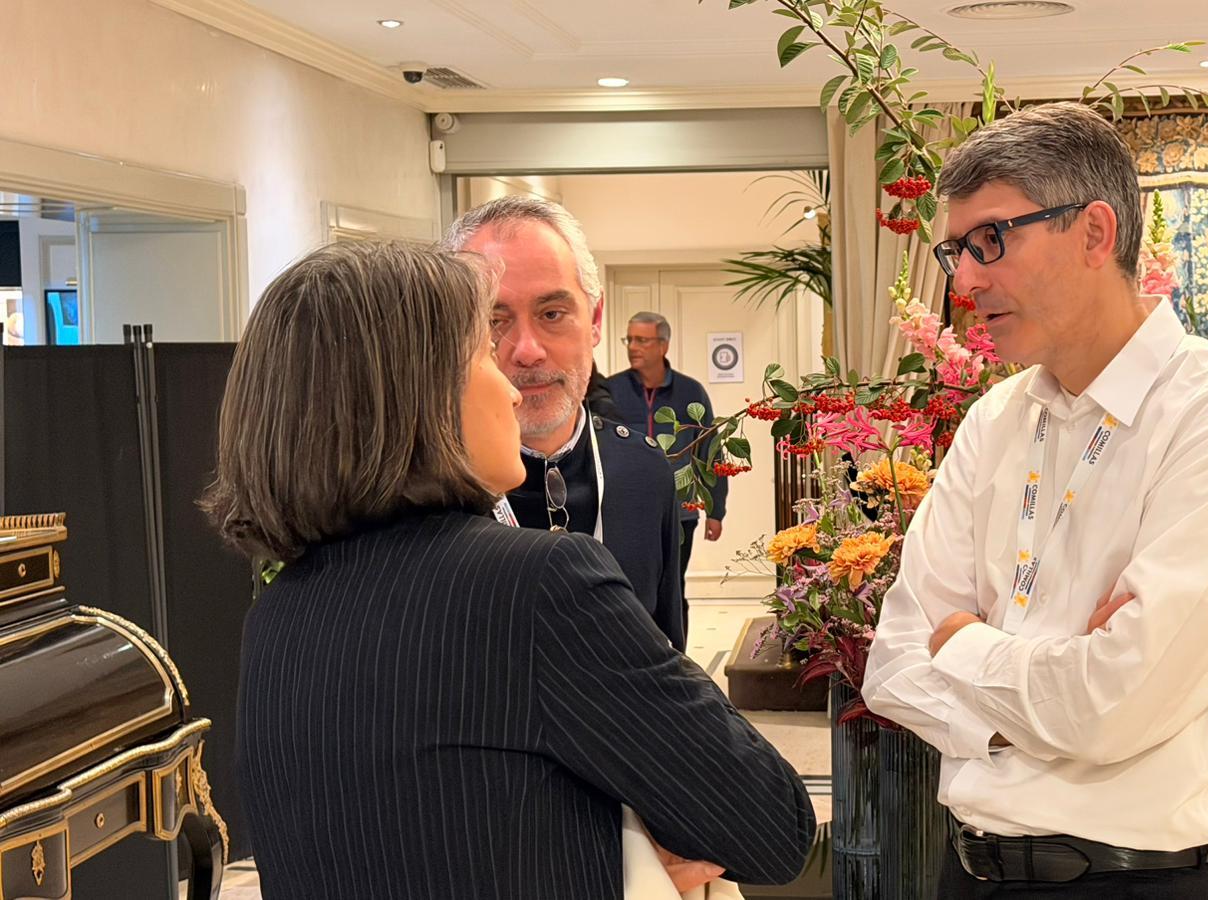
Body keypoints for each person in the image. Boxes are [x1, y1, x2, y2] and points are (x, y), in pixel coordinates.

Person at [204, 241, 814, 899]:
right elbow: (773, 827)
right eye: (480, 351)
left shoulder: (277, 614)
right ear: (415, 399)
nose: (507, 383)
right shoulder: (538, 586)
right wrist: (623, 847)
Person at [859, 102, 1208, 898]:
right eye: (956, 250)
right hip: (967, 871)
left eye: (990, 240)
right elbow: (894, 664)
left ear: (1095, 233)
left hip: (1133, 881)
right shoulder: (995, 420)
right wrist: (1052, 692)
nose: (964, 280)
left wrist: (962, 643)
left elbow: (1112, 705)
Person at [444, 197, 688, 651]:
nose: (528, 350)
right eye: (494, 320)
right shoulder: (428, 491)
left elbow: (668, 645)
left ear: (594, 320)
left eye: (552, 314)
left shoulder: (644, 470)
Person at [605, 311, 729, 626]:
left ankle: (675, 653)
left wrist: (716, 510)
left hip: (679, 513)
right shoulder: (610, 391)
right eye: (629, 339)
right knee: (627, 592)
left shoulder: (691, 392)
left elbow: (710, 451)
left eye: (642, 340)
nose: (633, 347)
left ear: (663, 345)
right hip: (624, 512)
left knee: (672, 591)